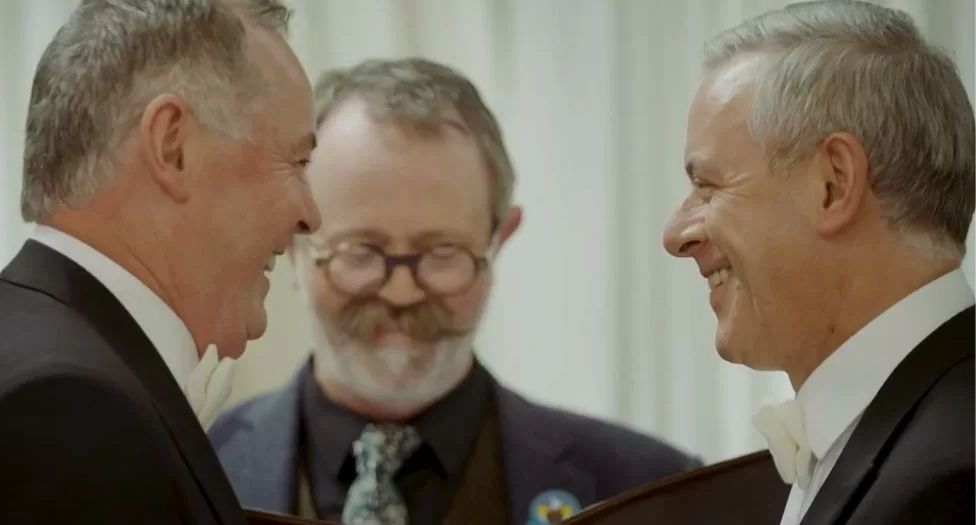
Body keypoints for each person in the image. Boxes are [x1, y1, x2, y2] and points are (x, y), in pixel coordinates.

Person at [209, 57, 702, 525]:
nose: (401, 293)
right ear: (291, 243)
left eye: (443, 253)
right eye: (360, 252)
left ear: (499, 239)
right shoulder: (191, 470)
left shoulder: (651, 492)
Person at [0, 0, 320, 523]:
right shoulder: (67, 409)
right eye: (295, 161)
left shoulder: (26, 348)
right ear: (173, 147)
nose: (311, 216)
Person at [662, 1, 974, 524]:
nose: (676, 235)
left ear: (833, 184)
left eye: (708, 186)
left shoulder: (953, 481)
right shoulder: (913, 438)